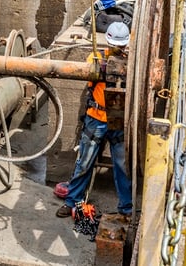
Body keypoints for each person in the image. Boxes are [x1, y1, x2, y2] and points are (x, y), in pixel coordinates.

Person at [56, 21, 133, 218]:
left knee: (122, 166)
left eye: (121, 46)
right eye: (117, 46)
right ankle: (72, 201)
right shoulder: (96, 58)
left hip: (118, 118)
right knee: (84, 162)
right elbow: (90, 74)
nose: (118, 49)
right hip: (96, 118)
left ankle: (126, 208)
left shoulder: (133, 62)